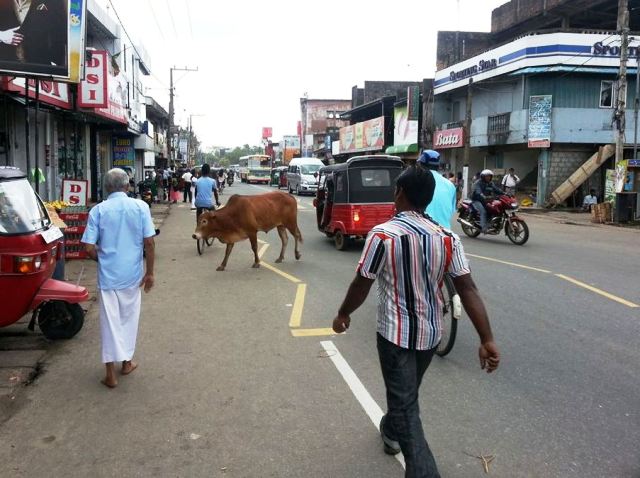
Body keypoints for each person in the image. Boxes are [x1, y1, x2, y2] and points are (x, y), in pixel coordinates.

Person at [332, 165, 500, 478]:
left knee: (405, 403)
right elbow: (468, 288)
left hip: (394, 336)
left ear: (400, 193)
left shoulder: (382, 236)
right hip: (430, 335)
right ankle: (391, 430)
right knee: (406, 397)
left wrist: (344, 314)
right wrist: (486, 338)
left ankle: (423, 470)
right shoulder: (448, 238)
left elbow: (361, 283)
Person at [81, 168, 156, 389]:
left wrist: (103, 260)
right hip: (131, 276)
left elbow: (88, 248)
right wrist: (150, 272)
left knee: (109, 322)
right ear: (127, 186)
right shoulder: (140, 207)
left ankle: (109, 374)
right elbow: (149, 243)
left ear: (106, 188)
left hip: (108, 277)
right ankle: (126, 363)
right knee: (128, 319)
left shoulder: (98, 211)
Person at [417, 150, 457, 230]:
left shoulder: (416, 181)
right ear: (438, 166)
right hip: (444, 233)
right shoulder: (450, 185)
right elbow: (451, 210)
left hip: (422, 232)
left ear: (421, 165)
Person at [471, 169, 504, 233]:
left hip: (486, 200)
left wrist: (504, 193)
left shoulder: (490, 183)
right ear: (483, 177)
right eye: (487, 176)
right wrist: (482, 195)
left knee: (493, 209)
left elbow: (496, 189)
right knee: (483, 212)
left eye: (489, 176)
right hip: (477, 200)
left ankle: (490, 223)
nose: (488, 177)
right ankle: (484, 228)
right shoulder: (478, 183)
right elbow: (478, 191)